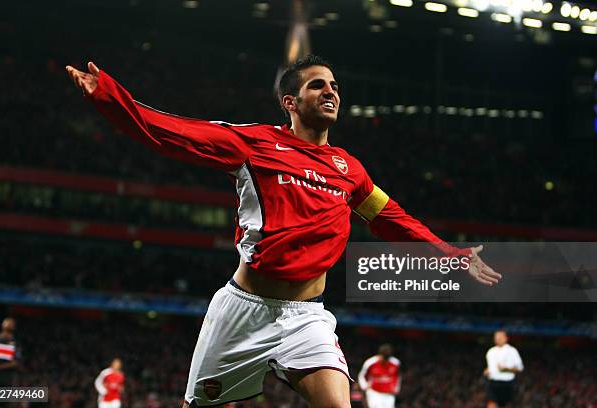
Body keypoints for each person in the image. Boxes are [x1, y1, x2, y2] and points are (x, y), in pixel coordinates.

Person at [66, 55, 501, 408]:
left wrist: (450, 253)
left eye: (334, 86)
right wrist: (109, 97)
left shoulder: (351, 170)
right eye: (317, 85)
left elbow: (393, 218)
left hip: (307, 316)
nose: (330, 91)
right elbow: (172, 133)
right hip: (243, 311)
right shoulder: (254, 144)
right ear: (290, 102)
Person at [484, 330, 523, 408]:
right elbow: (491, 367)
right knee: (491, 404)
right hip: (492, 382)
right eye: (496, 337)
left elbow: (520, 368)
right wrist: (487, 371)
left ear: (506, 338)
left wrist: (506, 369)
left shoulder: (512, 351)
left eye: (500, 337)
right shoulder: (491, 351)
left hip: (507, 383)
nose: (497, 338)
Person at [357, 344, 401, 408]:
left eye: (387, 358)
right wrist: (364, 386)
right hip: (374, 393)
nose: (385, 360)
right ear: (380, 354)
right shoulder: (370, 362)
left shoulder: (396, 363)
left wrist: (397, 388)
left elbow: (398, 376)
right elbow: (361, 375)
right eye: (384, 357)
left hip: (389, 394)